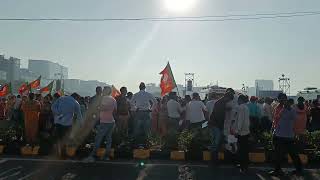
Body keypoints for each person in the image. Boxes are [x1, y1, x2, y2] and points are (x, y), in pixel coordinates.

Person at [269, 93, 303, 177]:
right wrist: (273, 128)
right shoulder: (277, 107)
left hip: (288, 136)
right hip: (278, 134)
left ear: (286, 99)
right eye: (280, 99)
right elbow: (276, 119)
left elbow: (296, 118)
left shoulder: (292, 109)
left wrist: (288, 109)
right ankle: (277, 170)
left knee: (293, 154)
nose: (281, 101)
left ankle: (299, 170)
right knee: (278, 154)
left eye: (283, 99)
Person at [85, 86, 117, 162]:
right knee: (109, 139)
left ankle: (94, 154)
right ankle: (107, 156)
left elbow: (101, 108)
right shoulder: (113, 99)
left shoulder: (103, 98)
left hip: (104, 121)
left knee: (98, 138)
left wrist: (98, 108)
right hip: (111, 121)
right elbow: (115, 110)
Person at [209, 91, 234, 164]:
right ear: (227, 97)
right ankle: (214, 160)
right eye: (229, 99)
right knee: (216, 142)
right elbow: (219, 116)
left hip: (216, 124)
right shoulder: (220, 103)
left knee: (217, 142)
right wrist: (222, 127)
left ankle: (215, 159)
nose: (229, 101)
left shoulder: (221, 103)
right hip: (216, 125)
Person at [235, 95, 250, 174]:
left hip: (241, 132)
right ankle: (245, 166)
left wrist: (237, 131)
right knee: (245, 150)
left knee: (241, 150)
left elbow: (240, 120)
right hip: (246, 131)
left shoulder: (240, 107)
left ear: (240, 100)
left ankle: (242, 166)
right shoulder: (246, 107)